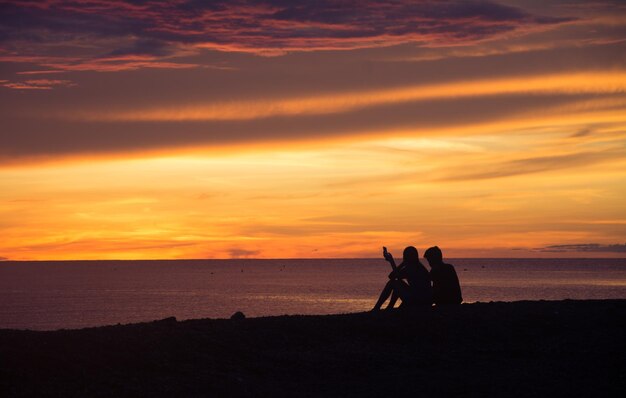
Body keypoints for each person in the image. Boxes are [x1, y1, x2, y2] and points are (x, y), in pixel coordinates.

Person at [372, 246, 432, 311]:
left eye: (404, 256)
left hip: (419, 301)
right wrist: (401, 263)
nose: (403, 258)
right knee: (397, 282)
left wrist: (392, 261)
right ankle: (389, 307)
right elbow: (392, 276)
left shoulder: (413, 268)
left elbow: (392, 276)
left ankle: (378, 307)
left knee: (394, 283)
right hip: (421, 299)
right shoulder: (416, 266)